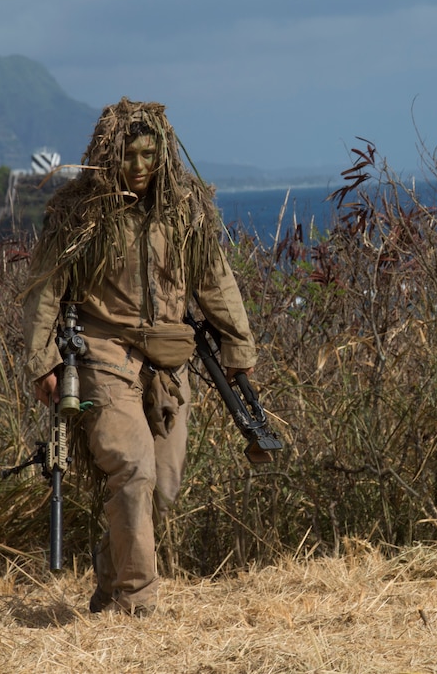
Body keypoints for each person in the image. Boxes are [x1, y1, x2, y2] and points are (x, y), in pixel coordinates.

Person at [21, 98, 259, 615]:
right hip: (103, 355)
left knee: (163, 486)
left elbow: (215, 280)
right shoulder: (79, 213)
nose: (138, 166)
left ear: (163, 154)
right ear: (110, 154)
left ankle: (110, 583)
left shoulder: (187, 209)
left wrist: (239, 345)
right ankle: (138, 604)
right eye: (128, 154)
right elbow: (45, 290)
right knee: (133, 467)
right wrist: (43, 361)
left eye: (148, 154)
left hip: (170, 361)